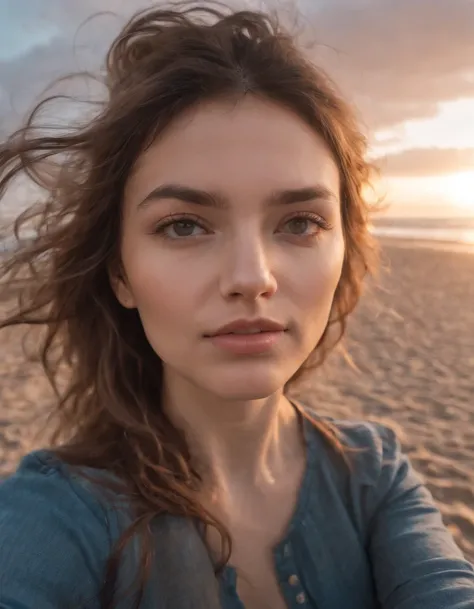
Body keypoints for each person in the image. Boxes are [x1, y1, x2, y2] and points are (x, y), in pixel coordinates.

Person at [0, 3, 473, 609]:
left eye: (300, 221)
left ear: (344, 247)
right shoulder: (57, 515)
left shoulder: (373, 473)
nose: (252, 278)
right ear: (120, 272)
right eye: (183, 227)